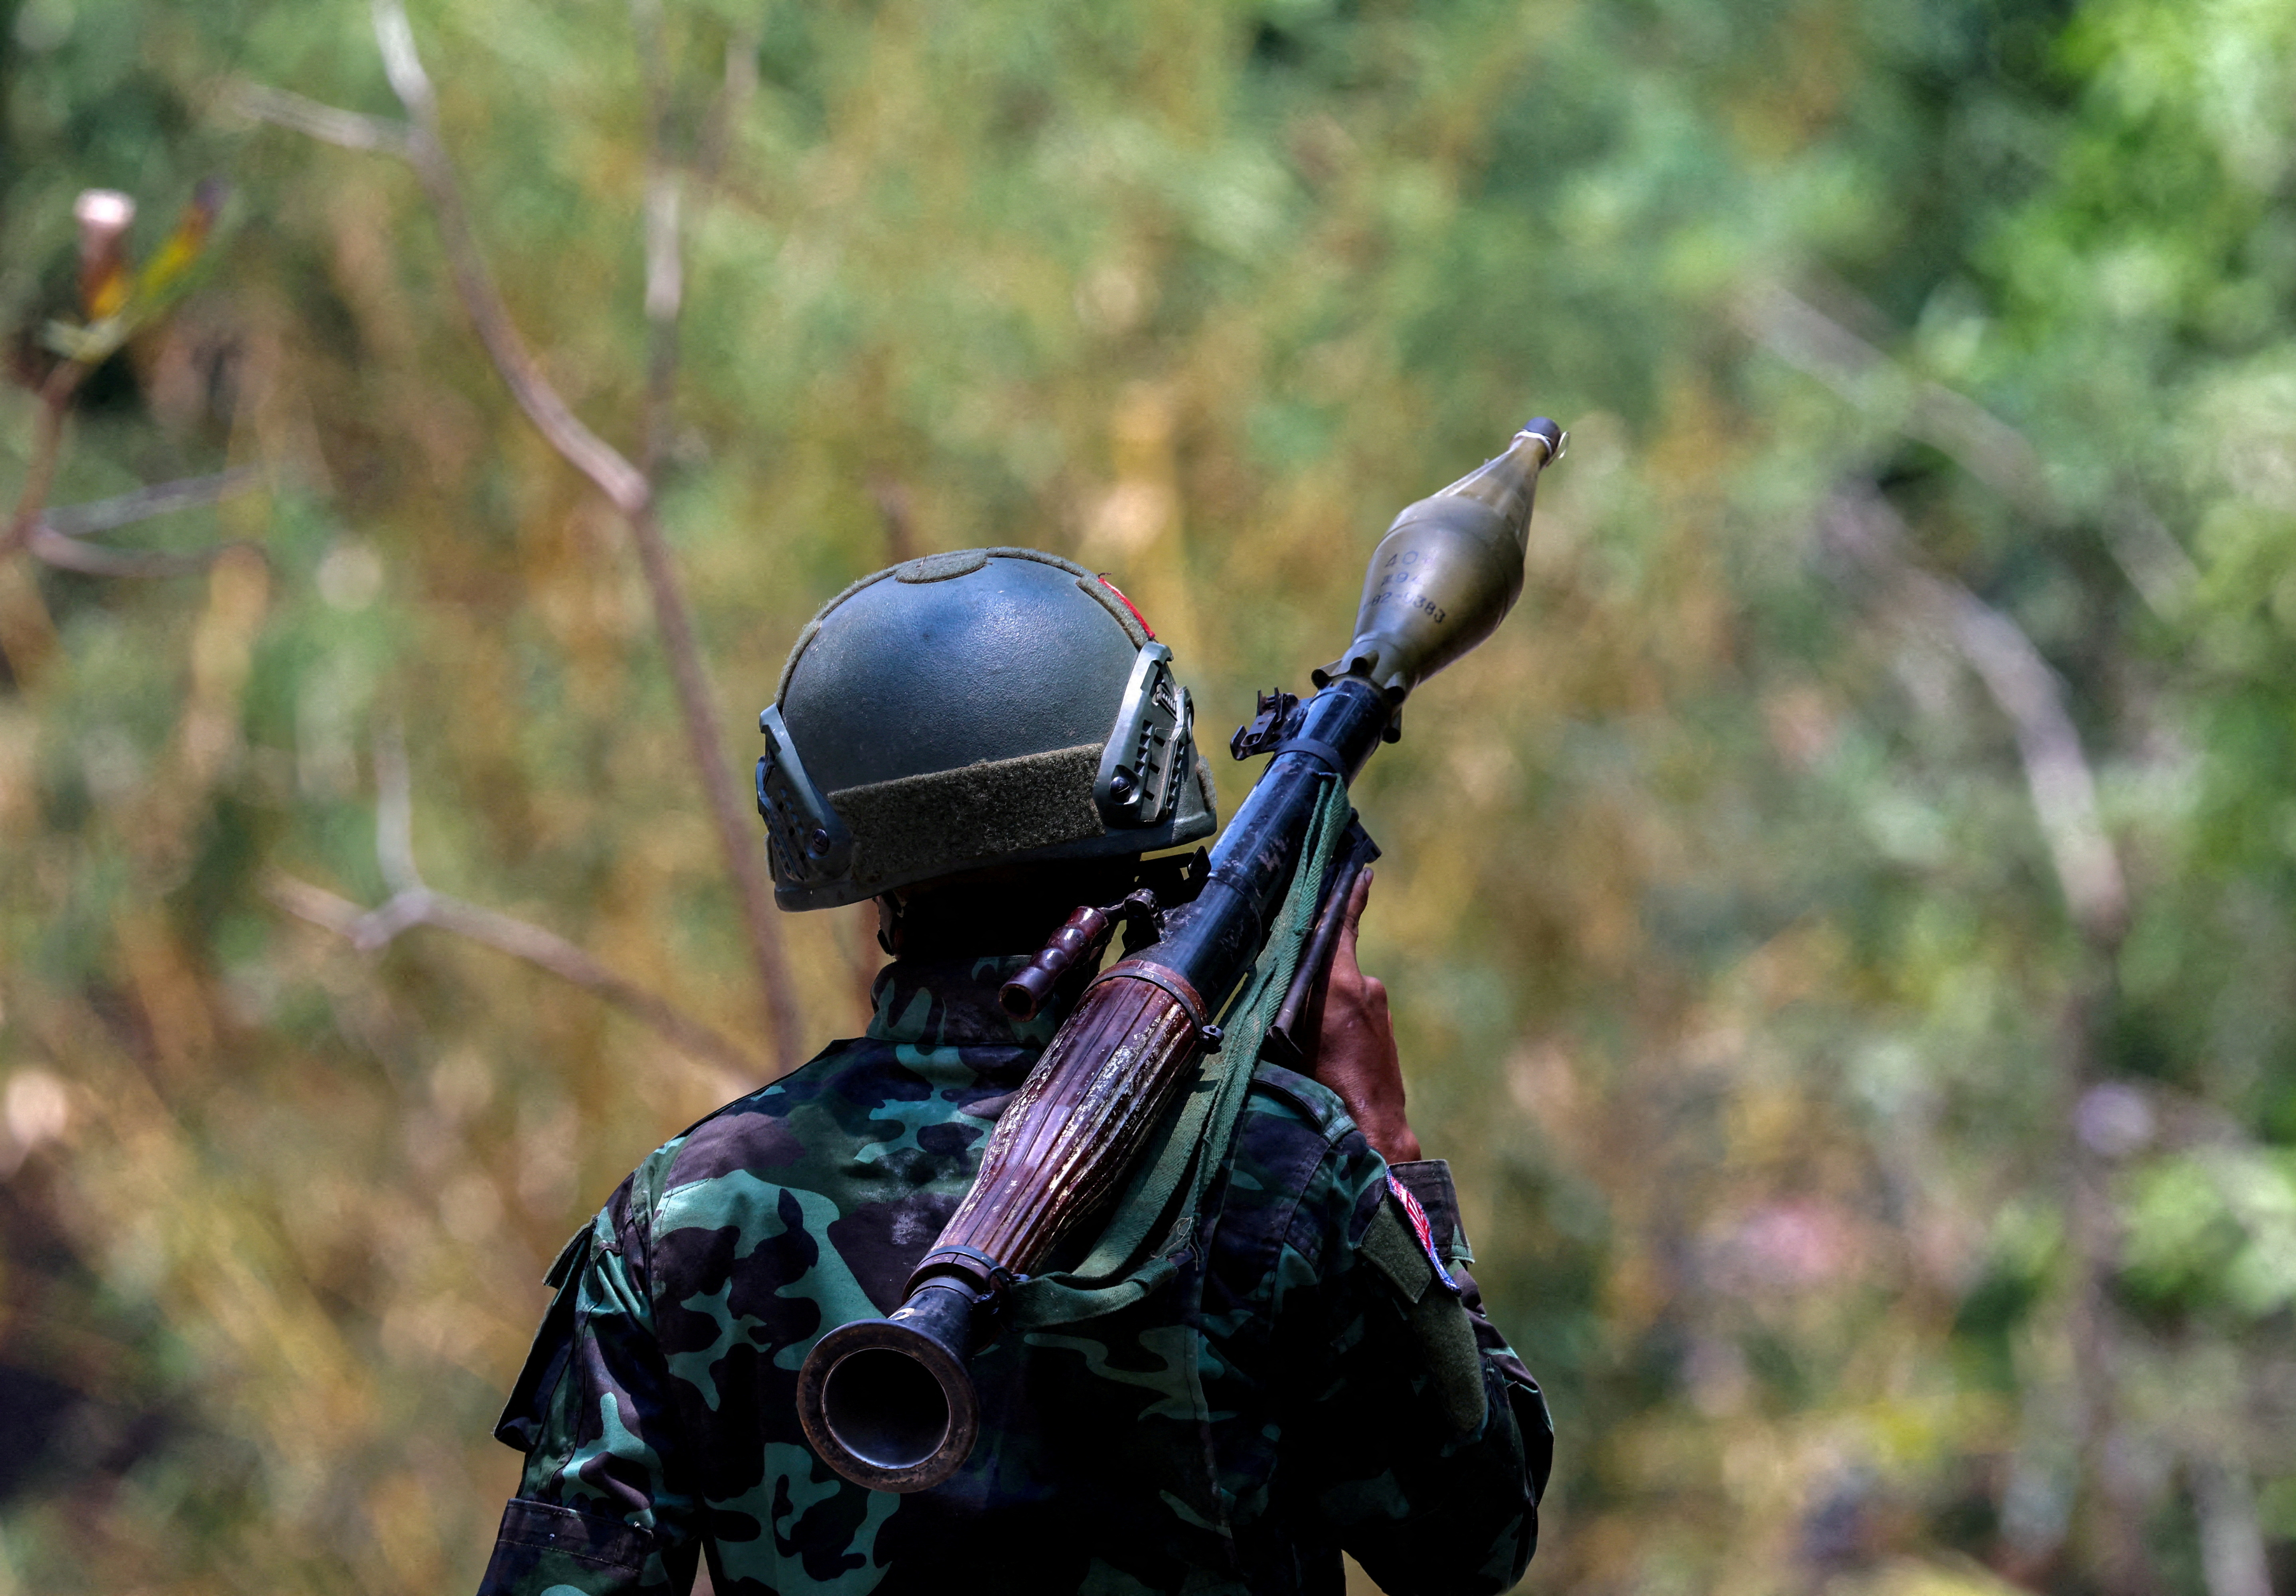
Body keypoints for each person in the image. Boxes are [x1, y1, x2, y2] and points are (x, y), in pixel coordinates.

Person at [474, 547, 1551, 1595]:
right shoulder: (1284, 1166)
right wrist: (1388, 1151)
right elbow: (1475, 1545)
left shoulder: (685, 1214)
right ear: (1143, 790)